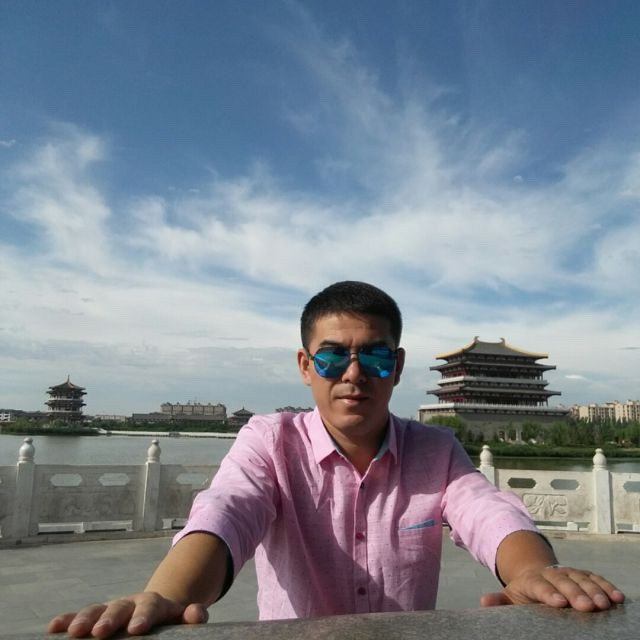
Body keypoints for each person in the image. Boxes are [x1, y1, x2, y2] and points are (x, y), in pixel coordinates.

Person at [49, 281, 625, 638]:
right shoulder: (270, 441)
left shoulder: (436, 449)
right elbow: (228, 510)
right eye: (331, 358)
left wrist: (532, 573)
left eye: (374, 357)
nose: (353, 374)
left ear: (397, 367)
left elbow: (486, 510)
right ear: (305, 367)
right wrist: (167, 595)